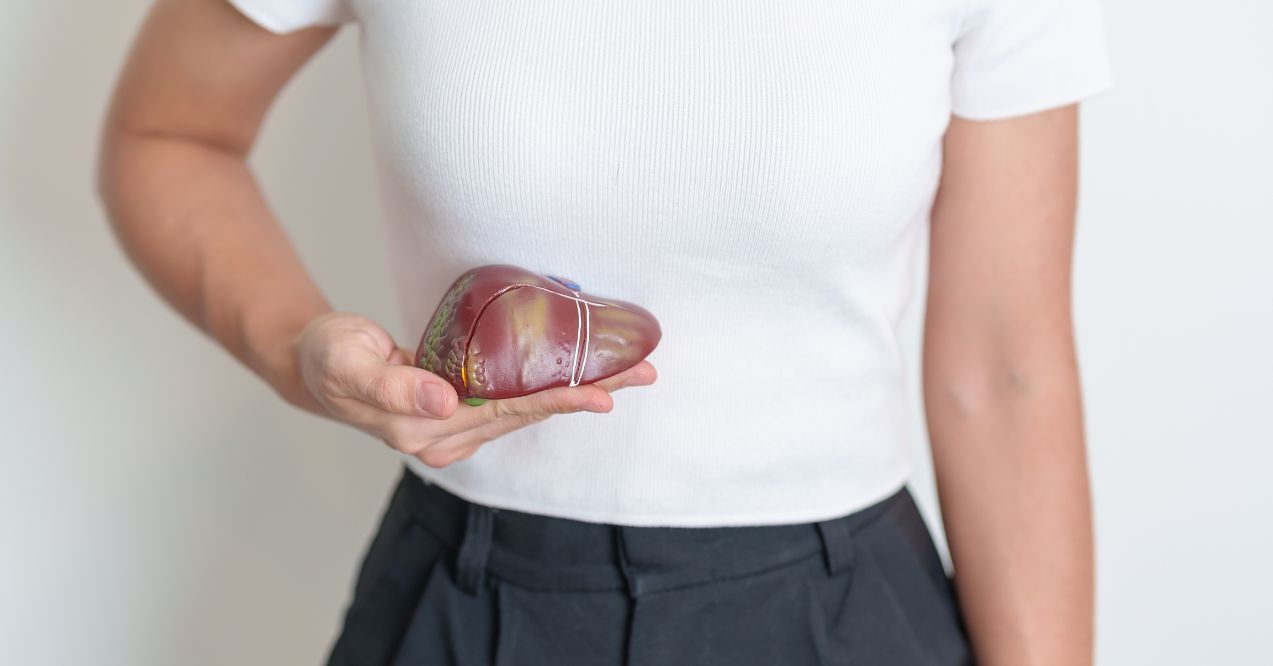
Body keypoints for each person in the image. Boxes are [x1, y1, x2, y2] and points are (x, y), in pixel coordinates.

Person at [97, 0, 1112, 663]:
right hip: (470, 596)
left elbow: (1006, 367)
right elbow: (168, 135)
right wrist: (297, 348)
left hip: (836, 613)